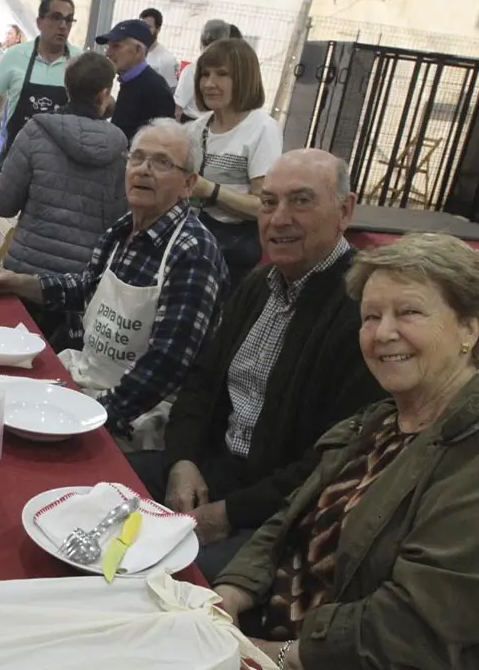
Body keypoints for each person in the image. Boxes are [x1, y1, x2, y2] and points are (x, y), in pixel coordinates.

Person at [215, 233, 479, 669]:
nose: (383, 333)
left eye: (408, 312)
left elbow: (419, 625)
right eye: (371, 316)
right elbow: (291, 518)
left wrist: (277, 653)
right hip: (280, 623)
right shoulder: (382, 418)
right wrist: (232, 593)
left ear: (470, 327)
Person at [130, 149, 386, 581]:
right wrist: (182, 461)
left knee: (170, 582)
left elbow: (334, 461)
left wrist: (231, 512)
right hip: (211, 472)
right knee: (96, 491)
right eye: (268, 202)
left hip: (283, 513)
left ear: (345, 211)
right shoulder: (258, 285)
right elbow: (201, 382)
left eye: (301, 201)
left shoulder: (363, 310)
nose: (279, 219)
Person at [0, 119, 228, 450]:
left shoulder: (193, 253)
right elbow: (85, 290)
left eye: (162, 162)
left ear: (188, 184)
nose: (144, 170)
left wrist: (94, 417)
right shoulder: (121, 231)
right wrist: (18, 283)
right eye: (137, 157)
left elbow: (167, 364)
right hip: (87, 383)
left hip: (137, 419)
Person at [0, 52, 128, 278]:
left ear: (67, 87)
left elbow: (1, 204)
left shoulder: (35, 132)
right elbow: (120, 221)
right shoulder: (119, 148)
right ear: (104, 93)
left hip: (24, 271)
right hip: (80, 281)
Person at [187, 38, 282, 288]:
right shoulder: (197, 128)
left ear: (244, 78)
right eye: (205, 74)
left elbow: (264, 206)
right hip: (192, 245)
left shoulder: (262, 128)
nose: (209, 83)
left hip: (232, 257)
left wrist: (209, 190)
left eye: (222, 74)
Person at [0, 0, 82, 172]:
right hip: (15, 161)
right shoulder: (15, 56)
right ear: (39, 22)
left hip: (59, 167)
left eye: (68, 20)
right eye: (56, 17)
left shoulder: (79, 61)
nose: (63, 25)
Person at [96, 19, 175, 143]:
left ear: (138, 51)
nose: (108, 53)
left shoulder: (155, 89)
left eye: (116, 46)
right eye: (108, 46)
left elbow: (161, 142)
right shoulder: (131, 81)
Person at [175, 19, 231, 122]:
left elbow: (177, 108)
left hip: (190, 122)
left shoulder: (191, 70)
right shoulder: (229, 72)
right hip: (216, 123)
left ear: (201, 41)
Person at [0, 24, 26, 171]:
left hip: (10, 98)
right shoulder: (3, 53)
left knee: (3, 131)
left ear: (18, 38)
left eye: (10, 33)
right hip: (1, 97)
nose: (6, 37)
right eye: (6, 34)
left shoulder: (19, 55)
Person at [138, 7, 180, 89]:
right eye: (141, 26)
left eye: (148, 27)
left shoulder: (167, 60)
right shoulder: (134, 52)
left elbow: (171, 91)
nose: (143, 30)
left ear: (158, 29)